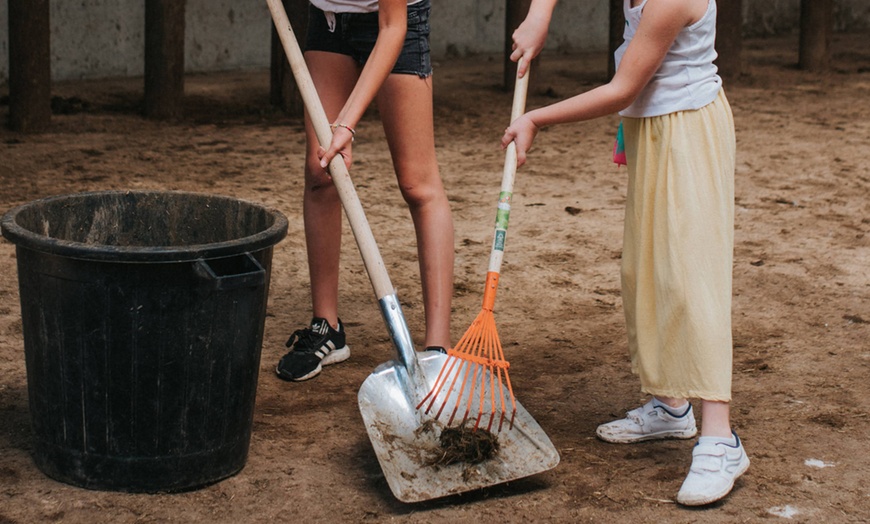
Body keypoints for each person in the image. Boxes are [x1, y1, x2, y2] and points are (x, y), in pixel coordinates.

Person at [504, 0, 748, 506]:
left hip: (688, 131)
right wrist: (539, 14)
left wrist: (535, 119)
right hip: (652, 127)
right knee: (647, 271)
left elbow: (623, 87)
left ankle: (720, 440)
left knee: (692, 283)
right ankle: (670, 406)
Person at [276, 0, 454, 382]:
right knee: (321, 170)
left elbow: (393, 28)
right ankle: (326, 327)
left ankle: (438, 349)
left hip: (395, 25)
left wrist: (346, 124)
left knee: (417, 184)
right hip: (329, 22)